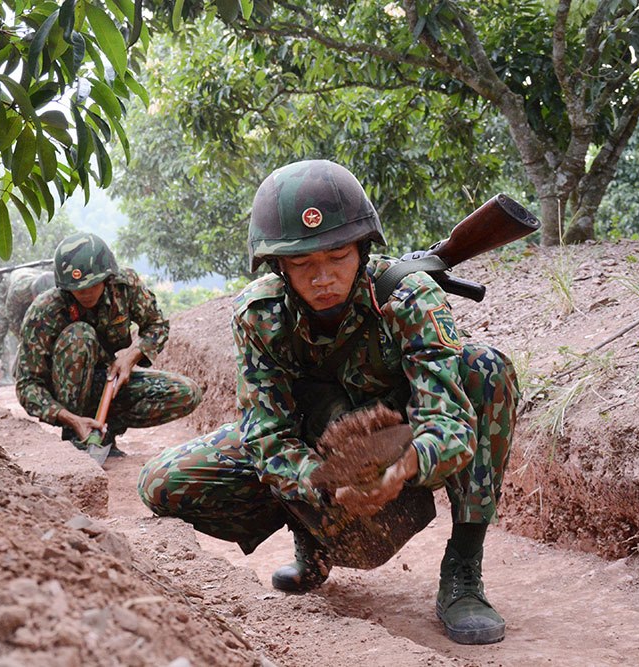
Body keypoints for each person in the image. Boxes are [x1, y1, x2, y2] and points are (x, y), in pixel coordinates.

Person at [137, 160, 518, 645]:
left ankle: (464, 566)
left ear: (362, 248)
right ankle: (311, 540)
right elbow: (266, 435)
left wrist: (402, 466)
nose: (322, 277)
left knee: (486, 368)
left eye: (338, 256)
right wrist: (319, 483)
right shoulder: (261, 315)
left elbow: (451, 423)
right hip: (318, 454)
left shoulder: (409, 297)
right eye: (302, 264)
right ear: (278, 266)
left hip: (400, 450)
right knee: (163, 482)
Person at [15, 232, 203, 456]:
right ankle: (77, 435)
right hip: (64, 395)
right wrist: (68, 418)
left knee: (186, 392)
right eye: (77, 287)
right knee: (79, 335)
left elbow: (157, 325)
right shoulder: (44, 312)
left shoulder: (124, 287)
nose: (84, 292)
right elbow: (27, 385)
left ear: (106, 277)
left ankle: (106, 431)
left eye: (92, 284)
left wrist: (130, 357)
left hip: (107, 382)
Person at [0, 268, 55, 387]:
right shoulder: (18, 291)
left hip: (27, 298)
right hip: (5, 296)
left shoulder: (54, 286)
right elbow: (12, 319)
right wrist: (25, 341)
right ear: (33, 296)